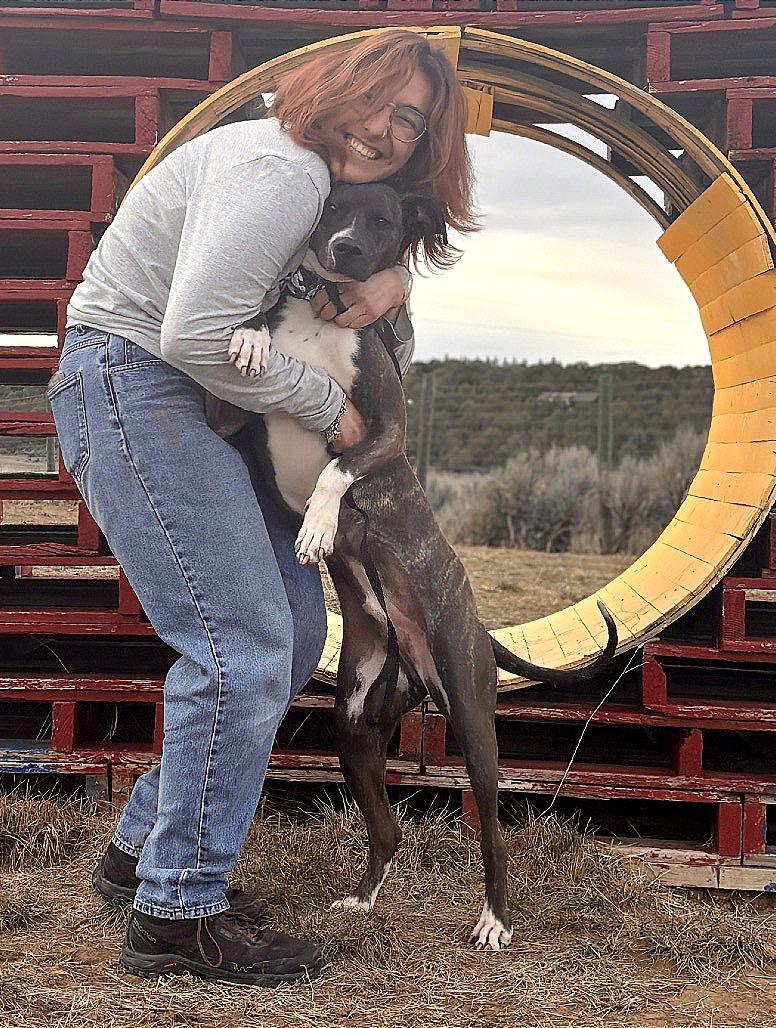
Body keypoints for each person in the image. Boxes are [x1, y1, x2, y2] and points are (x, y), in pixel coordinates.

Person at [49, 29, 475, 987]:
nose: (385, 128)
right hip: (138, 382)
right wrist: (329, 408)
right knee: (238, 644)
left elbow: (354, 316)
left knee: (288, 637)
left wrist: (394, 279)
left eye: (410, 121)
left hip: (208, 401)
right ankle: (177, 915)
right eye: (376, 98)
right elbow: (197, 334)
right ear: (331, 86)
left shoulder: (315, 186)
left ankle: (138, 855)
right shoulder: (279, 170)